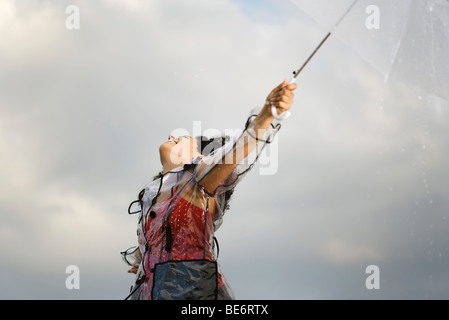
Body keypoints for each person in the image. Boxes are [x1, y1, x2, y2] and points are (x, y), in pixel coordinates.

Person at [121, 79, 297, 300]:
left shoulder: (196, 182)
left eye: (183, 139)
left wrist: (266, 115)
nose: (171, 136)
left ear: (202, 158)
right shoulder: (154, 194)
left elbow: (237, 149)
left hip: (196, 296)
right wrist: (142, 258)